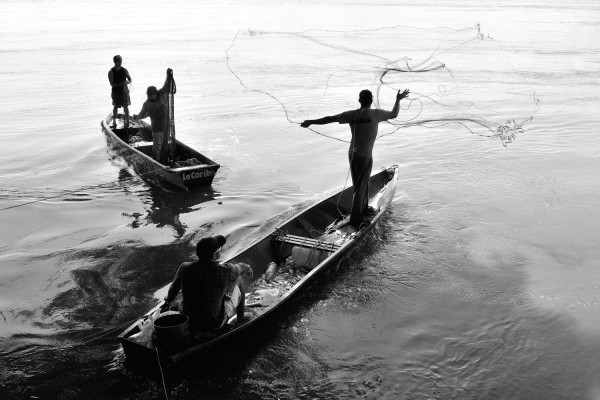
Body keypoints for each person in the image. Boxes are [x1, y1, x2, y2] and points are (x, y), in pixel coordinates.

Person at [301, 88, 410, 228]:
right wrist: (398, 100)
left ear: (359, 101)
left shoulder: (352, 114)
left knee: (360, 184)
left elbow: (330, 119)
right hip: (364, 155)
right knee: (361, 185)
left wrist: (310, 121)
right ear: (371, 101)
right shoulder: (375, 114)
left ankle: (363, 209)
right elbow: (394, 114)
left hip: (352, 154)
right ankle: (356, 218)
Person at [163, 235, 254, 333]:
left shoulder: (184, 268)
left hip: (189, 323)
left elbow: (171, 294)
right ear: (214, 255)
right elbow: (243, 267)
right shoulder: (226, 270)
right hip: (216, 324)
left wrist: (168, 300)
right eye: (219, 249)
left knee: (177, 301)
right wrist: (248, 267)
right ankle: (241, 318)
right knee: (239, 279)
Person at [133, 68, 173, 164]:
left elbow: (166, 85)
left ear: (156, 94)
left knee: (165, 145)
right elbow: (142, 114)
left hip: (167, 125)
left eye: (152, 95)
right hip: (157, 129)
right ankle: (157, 162)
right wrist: (137, 116)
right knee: (157, 148)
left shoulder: (161, 94)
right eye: (149, 95)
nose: (150, 97)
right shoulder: (146, 104)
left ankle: (164, 161)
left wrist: (168, 76)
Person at [108, 55, 132, 128]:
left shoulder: (124, 70)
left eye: (121, 61)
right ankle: (114, 121)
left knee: (126, 107)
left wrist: (127, 83)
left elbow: (130, 79)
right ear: (115, 62)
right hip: (116, 91)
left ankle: (127, 121)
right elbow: (112, 84)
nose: (121, 62)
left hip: (124, 91)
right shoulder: (111, 72)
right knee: (115, 106)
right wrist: (121, 84)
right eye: (119, 61)